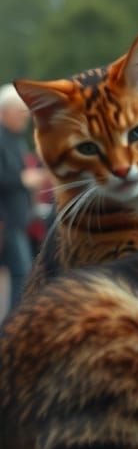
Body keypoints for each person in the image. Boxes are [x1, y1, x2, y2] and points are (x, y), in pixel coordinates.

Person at [0, 84, 47, 313]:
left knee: (22, 272)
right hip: (6, 220)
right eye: (20, 112)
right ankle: (11, 325)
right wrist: (22, 180)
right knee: (22, 272)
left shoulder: (15, 139)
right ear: (4, 112)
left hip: (16, 220)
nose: (25, 118)